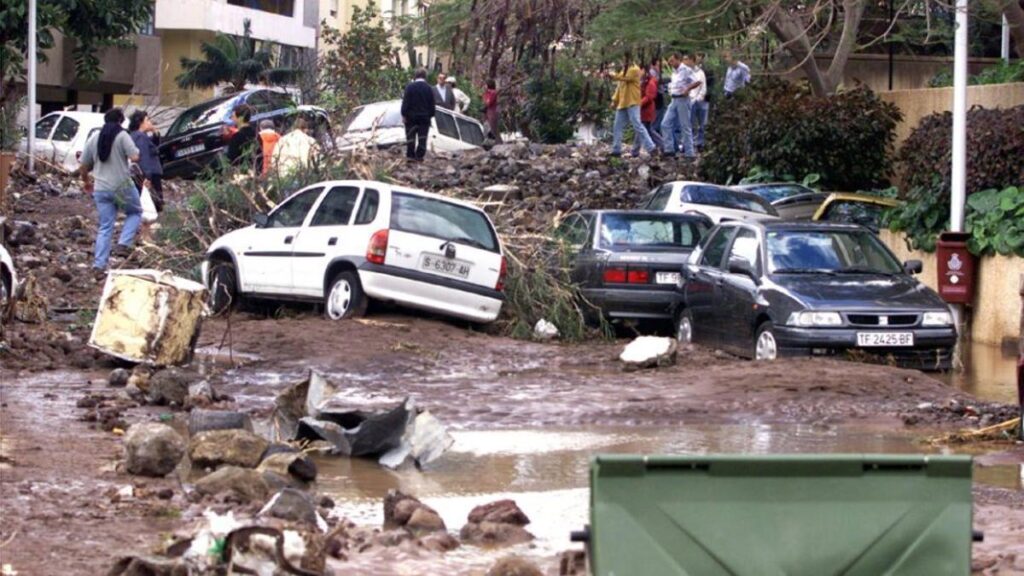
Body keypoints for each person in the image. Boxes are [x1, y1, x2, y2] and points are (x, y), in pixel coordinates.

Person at [79, 108, 141, 275]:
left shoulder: (94, 138)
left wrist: (86, 182)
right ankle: (123, 243)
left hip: (101, 189)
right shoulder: (122, 136)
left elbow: (84, 166)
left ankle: (99, 266)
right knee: (135, 212)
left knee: (105, 227)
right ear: (121, 121)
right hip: (122, 187)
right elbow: (135, 157)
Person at [606, 51, 656, 158]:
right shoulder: (623, 72)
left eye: (624, 59)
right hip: (623, 103)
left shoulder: (634, 70)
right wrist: (614, 100)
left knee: (637, 125)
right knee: (617, 126)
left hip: (633, 102)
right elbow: (620, 87)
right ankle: (616, 150)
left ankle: (651, 147)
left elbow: (623, 78)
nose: (622, 61)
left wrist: (611, 75)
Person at [660, 52, 702, 159]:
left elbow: (697, 81)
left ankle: (690, 153)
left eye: (672, 60)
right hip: (674, 99)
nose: (671, 63)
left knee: (685, 125)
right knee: (665, 123)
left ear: (678, 59)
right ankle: (670, 149)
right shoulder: (675, 72)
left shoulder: (686, 70)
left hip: (683, 100)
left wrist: (687, 89)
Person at [127, 110, 164, 213]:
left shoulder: (139, 136)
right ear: (140, 122)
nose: (150, 122)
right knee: (154, 205)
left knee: (150, 204)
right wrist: (147, 176)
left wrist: (155, 132)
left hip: (145, 174)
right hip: (149, 174)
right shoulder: (140, 137)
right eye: (147, 120)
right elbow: (143, 156)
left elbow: (153, 145)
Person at [401, 68, 436, 161]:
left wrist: (404, 114)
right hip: (424, 118)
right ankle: (419, 156)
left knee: (410, 137)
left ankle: (410, 156)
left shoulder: (409, 87)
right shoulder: (429, 88)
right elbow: (432, 104)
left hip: (410, 118)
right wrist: (430, 115)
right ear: (425, 76)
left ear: (415, 76)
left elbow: (405, 103)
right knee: (422, 138)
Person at [632, 68, 663, 155]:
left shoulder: (650, 82)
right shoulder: (644, 82)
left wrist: (639, 103)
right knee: (648, 130)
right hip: (643, 110)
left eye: (640, 70)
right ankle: (664, 146)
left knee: (640, 129)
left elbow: (649, 97)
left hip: (647, 110)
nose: (638, 72)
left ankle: (635, 151)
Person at [224, 103, 262, 172]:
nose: (232, 119)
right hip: (257, 170)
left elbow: (231, 159)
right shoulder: (257, 134)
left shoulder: (236, 138)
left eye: (233, 116)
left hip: (243, 173)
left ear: (240, 118)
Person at [689, 53, 709, 151]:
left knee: (702, 124)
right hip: (690, 101)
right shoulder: (686, 72)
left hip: (700, 101)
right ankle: (691, 144)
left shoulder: (700, 72)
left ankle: (700, 143)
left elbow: (703, 86)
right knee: (690, 123)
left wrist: (699, 97)